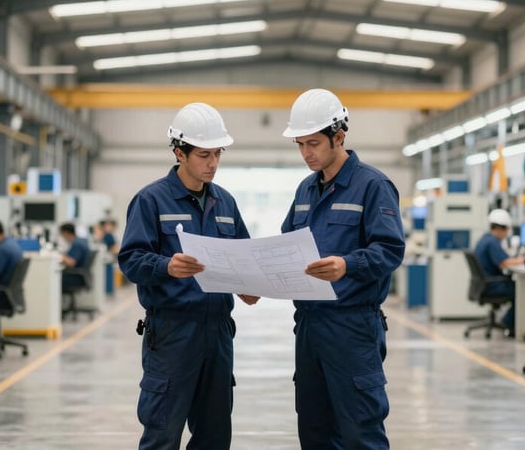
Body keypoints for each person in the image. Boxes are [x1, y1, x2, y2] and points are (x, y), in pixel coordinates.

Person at [118, 102, 259, 449]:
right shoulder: (151, 200)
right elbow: (130, 260)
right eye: (204, 154)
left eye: (217, 154)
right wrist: (166, 266)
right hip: (172, 333)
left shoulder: (225, 203)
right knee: (162, 434)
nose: (212, 163)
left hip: (219, 333)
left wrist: (251, 286)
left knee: (214, 435)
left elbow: (244, 257)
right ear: (180, 152)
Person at [280, 88, 405, 449]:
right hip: (308, 326)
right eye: (300, 144)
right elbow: (286, 244)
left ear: (339, 135)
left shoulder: (373, 186)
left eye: (313, 143)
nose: (306, 153)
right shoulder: (305, 189)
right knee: (315, 430)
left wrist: (347, 265)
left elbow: (390, 250)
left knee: (360, 431)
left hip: (352, 327)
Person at [473, 208, 525, 335]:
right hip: (493, 285)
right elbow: (504, 263)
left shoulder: (485, 238)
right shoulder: (492, 242)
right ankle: (508, 323)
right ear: (500, 229)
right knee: (521, 292)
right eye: (506, 230)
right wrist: (523, 260)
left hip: (485, 284)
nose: (507, 234)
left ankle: (508, 321)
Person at [59, 222, 91, 287]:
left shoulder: (77, 245)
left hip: (75, 277)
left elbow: (71, 263)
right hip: (78, 275)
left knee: (53, 279)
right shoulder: (80, 241)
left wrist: (59, 256)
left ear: (66, 233)